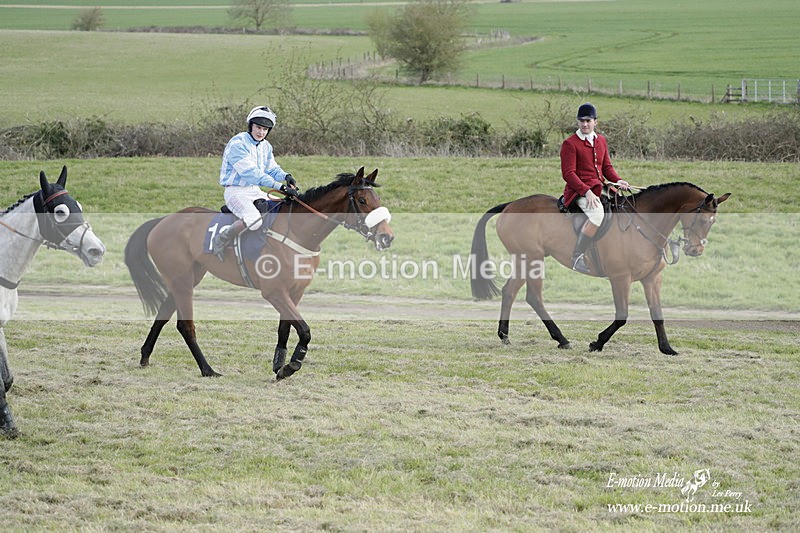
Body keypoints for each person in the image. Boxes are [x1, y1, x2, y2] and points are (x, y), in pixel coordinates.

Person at [211, 105, 299, 261]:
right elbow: (252, 174)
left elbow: (271, 168)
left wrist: (286, 176)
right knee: (254, 220)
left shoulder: (265, 146)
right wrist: (280, 187)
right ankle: (221, 239)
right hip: (236, 192)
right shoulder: (237, 144)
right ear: (250, 126)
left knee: (282, 207)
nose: (261, 132)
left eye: (265, 129)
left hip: (254, 190)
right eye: (258, 127)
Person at [560, 102, 629, 273]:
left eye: (588, 121)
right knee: (598, 215)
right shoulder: (570, 144)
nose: (585, 124)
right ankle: (577, 256)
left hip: (599, 187)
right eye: (581, 121)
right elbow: (568, 174)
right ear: (578, 122)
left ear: (595, 122)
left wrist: (618, 181)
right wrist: (586, 191)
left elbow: (606, 168)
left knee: (625, 205)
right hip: (578, 192)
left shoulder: (601, 141)